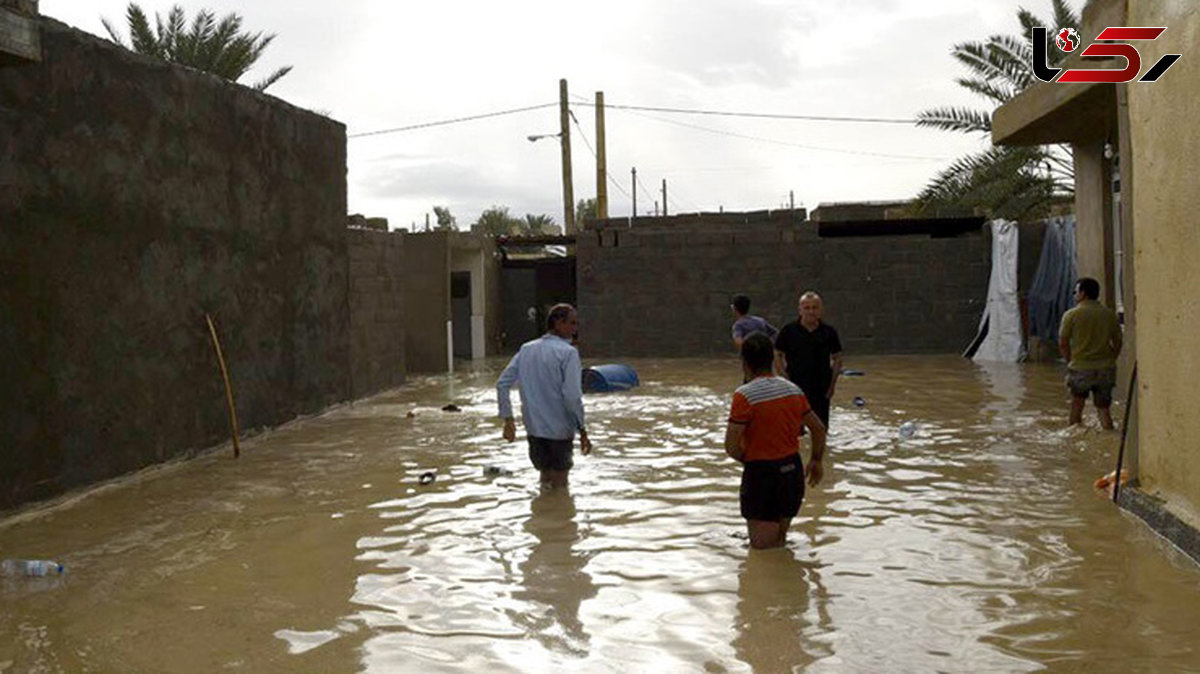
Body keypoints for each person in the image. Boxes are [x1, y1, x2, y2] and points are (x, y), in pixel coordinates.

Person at [724, 333, 826, 550]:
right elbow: (818, 428)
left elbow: (731, 446)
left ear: (744, 363)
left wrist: (749, 460)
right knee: (780, 542)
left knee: (762, 552)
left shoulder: (744, 396)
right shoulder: (793, 389)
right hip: (792, 473)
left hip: (761, 475)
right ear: (772, 359)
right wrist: (816, 460)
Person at [497, 303, 593, 487]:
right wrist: (582, 429)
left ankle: (543, 514)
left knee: (544, 481)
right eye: (572, 323)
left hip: (534, 430)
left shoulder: (526, 349)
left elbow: (502, 384)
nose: (575, 328)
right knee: (560, 486)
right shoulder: (568, 353)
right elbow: (572, 397)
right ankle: (557, 516)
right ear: (558, 323)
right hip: (560, 432)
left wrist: (508, 420)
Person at [1059, 277, 1123, 429]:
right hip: (1106, 368)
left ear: (1083, 293)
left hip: (1080, 367)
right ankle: (1108, 437)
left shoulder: (1071, 315)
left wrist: (1070, 361)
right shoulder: (1109, 314)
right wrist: (1111, 358)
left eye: (1076, 292)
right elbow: (1118, 341)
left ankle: (1073, 445)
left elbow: (1063, 342)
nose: (1074, 295)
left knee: (1077, 407)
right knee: (1104, 410)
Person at [773, 291, 843, 429]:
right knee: (795, 431)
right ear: (800, 310)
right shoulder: (788, 331)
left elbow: (837, 358)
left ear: (821, 310)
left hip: (821, 388)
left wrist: (832, 385)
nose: (811, 311)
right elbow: (777, 353)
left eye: (815, 307)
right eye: (807, 308)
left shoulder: (829, 332)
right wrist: (783, 378)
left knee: (821, 429)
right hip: (795, 387)